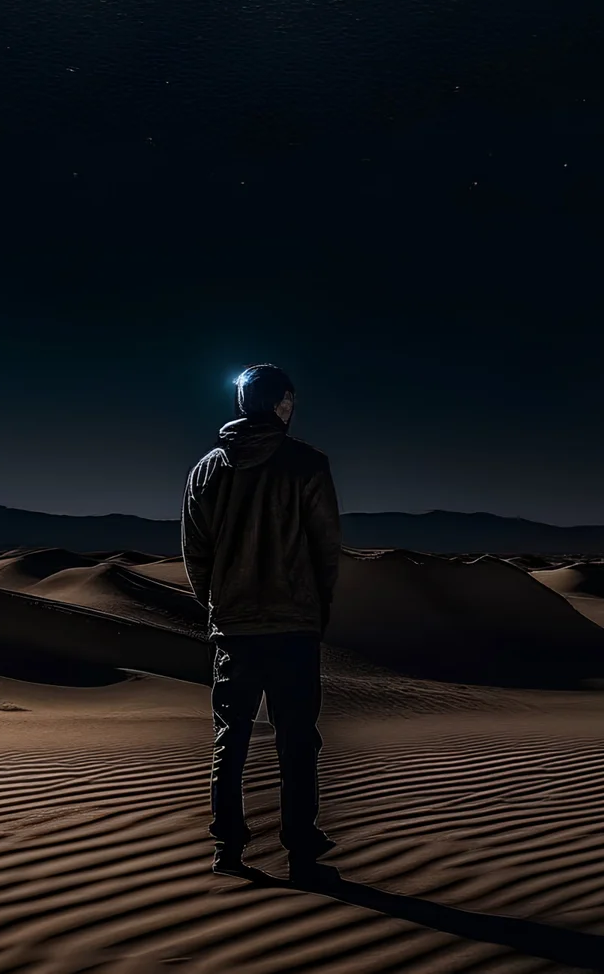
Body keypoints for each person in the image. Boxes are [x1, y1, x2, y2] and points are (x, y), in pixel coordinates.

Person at [182, 363, 343, 882]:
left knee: (231, 737)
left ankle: (227, 849)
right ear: (281, 405)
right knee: (297, 738)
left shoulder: (208, 470)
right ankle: (301, 848)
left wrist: (217, 606)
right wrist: (317, 612)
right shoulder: (308, 465)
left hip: (235, 629)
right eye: (289, 402)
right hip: (293, 628)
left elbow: (195, 554)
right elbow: (325, 551)